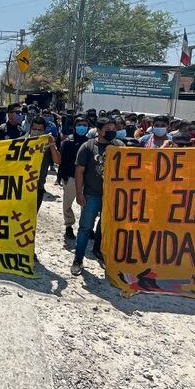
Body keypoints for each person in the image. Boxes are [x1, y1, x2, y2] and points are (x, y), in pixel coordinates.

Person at [71, 117, 124, 275]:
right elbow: (79, 171)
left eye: (113, 128)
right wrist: (79, 193)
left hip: (111, 196)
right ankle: (78, 258)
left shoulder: (119, 147)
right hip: (91, 194)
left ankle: (98, 251)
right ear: (99, 130)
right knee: (85, 228)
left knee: (105, 227)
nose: (112, 131)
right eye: (108, 129)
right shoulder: (87, 146)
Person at [59, 116, 89, 239]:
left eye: (85, 125)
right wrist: (62, 176)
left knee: (86, 204)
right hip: (70, 177)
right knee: (68, 203)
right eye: (79, 125)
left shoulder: (90, 143)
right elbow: (62, 161)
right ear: (75, 126)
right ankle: (69, 226)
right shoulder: (68, 142)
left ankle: (86, 227)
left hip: (87, 179)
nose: (82, 127)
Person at [28, 116, 61, 211]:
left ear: (44, 131)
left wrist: (52, 145)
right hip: (20, 187)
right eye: (35, 129)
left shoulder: (47, 144)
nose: (37, 132)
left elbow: (57, 161)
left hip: (38, 187)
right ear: (30, 128)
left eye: (40, 130)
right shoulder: (21, 141)